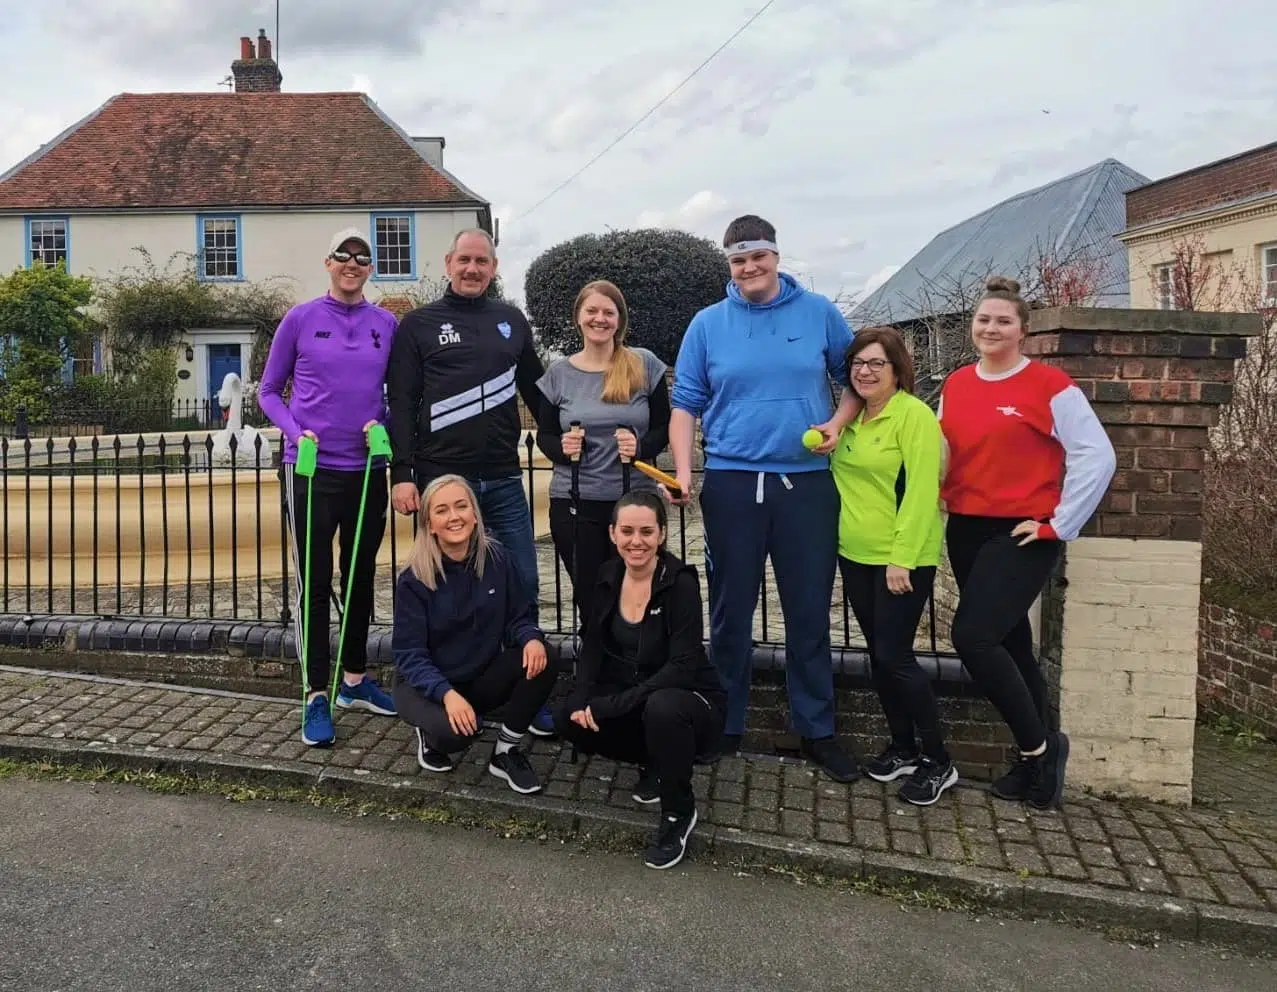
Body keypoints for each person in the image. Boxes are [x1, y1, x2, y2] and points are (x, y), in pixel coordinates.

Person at [666, 214, 863, 782]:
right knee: (729, 613)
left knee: (808, 613)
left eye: (759, 256)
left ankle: (817, 731)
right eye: (738, 259)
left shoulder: (819, 312)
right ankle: (724, 725)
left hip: (806, 484)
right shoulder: (707, 324)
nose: (749, 267)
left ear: (776, 256)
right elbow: (685, 404)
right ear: (728, 264)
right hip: (730, 482)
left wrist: (838, 423)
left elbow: (858, 377)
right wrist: (685, 470)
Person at [938, 276, 1116, 811]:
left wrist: (1058, 525)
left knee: (972, 637)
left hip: (1021, 531)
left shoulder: (1050, 386)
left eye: (1003, 321)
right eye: (983, 319)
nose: (991, 328)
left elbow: (1097, 455)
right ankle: (1031, 761)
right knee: (1012, 644)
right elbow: (942, 451)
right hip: (965, 527)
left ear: (1023, 330)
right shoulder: (957, 383)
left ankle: (1042, 747)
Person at [386, 228, 555, 736]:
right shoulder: (418, 325)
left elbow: (540, 394)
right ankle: (439, 692)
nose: (472, 268)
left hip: (503, 478)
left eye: (482, 261)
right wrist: (402, 473)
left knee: (520, 582)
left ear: (495, 266)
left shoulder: (512, 321)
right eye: (464, 260)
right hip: (443, 482)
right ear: (448, 262)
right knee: (443, 593)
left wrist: (570, 439)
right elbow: (403, 402)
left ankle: (524, 691)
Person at [258, 227, 399, 747]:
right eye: (344, 255)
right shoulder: (300, 319)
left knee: (361, 578)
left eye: (362, 258)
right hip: (312, 471)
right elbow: (269, 393)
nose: (353, 263)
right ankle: (316, 692)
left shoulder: (387, 324)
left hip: (366, 472)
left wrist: (382, 423)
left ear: (369, 268)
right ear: (328, 262)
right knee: (315, 584)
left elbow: (397, 395)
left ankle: (355, 681)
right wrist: (298, 432)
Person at [553, 491, 726, 870]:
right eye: (627, 531)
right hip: (634, 695)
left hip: (689, 701)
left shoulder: (679, 583)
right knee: (568, 715)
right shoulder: (607, 575)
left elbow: (682, 665)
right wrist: (584, 697)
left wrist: (613, 704)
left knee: (661, 708)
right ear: (613, 534)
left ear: (662, 535)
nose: (636, 541)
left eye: (647, 531)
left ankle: (678, 812)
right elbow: (594, 642)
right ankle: (655, 762)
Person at [830, 326, 955, 806]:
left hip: (899, 559)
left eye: (875, 363)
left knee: (897, 658)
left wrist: (901, 559)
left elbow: (923, 491)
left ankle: (939, 760)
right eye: (858, 364)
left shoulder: (913, 416)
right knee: (881, 657)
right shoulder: (855, 420)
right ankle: (903, 748)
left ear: (897, 368)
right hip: (855, 554)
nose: (864, 371)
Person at [390, 474, 558, 795]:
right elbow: (410, 655)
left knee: (545, 654)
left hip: (478, 677)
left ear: (475, 513)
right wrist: (446, 694)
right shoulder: (413, 579)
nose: (454, 516)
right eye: (442, 510)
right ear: (429, 523)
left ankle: (505, 751)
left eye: (461, 506)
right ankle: (430, 733)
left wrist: (530, 637)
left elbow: (518, 617)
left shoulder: (497, 558)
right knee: (458, 737)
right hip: (424, 686)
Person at [535, 279, 670, 622]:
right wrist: (562, 449)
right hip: (575, 504)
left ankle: (640, 668)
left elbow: (663, 429)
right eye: (591, 311)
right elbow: (545, 436)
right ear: (578, 317)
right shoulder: (559, 373)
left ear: (619, 320)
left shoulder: (644, 364)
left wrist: (641, 445)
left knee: (640, 593)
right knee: (592, 599)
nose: (600, 319)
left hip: (634, 501)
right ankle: (598, 671)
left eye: (608, 312)